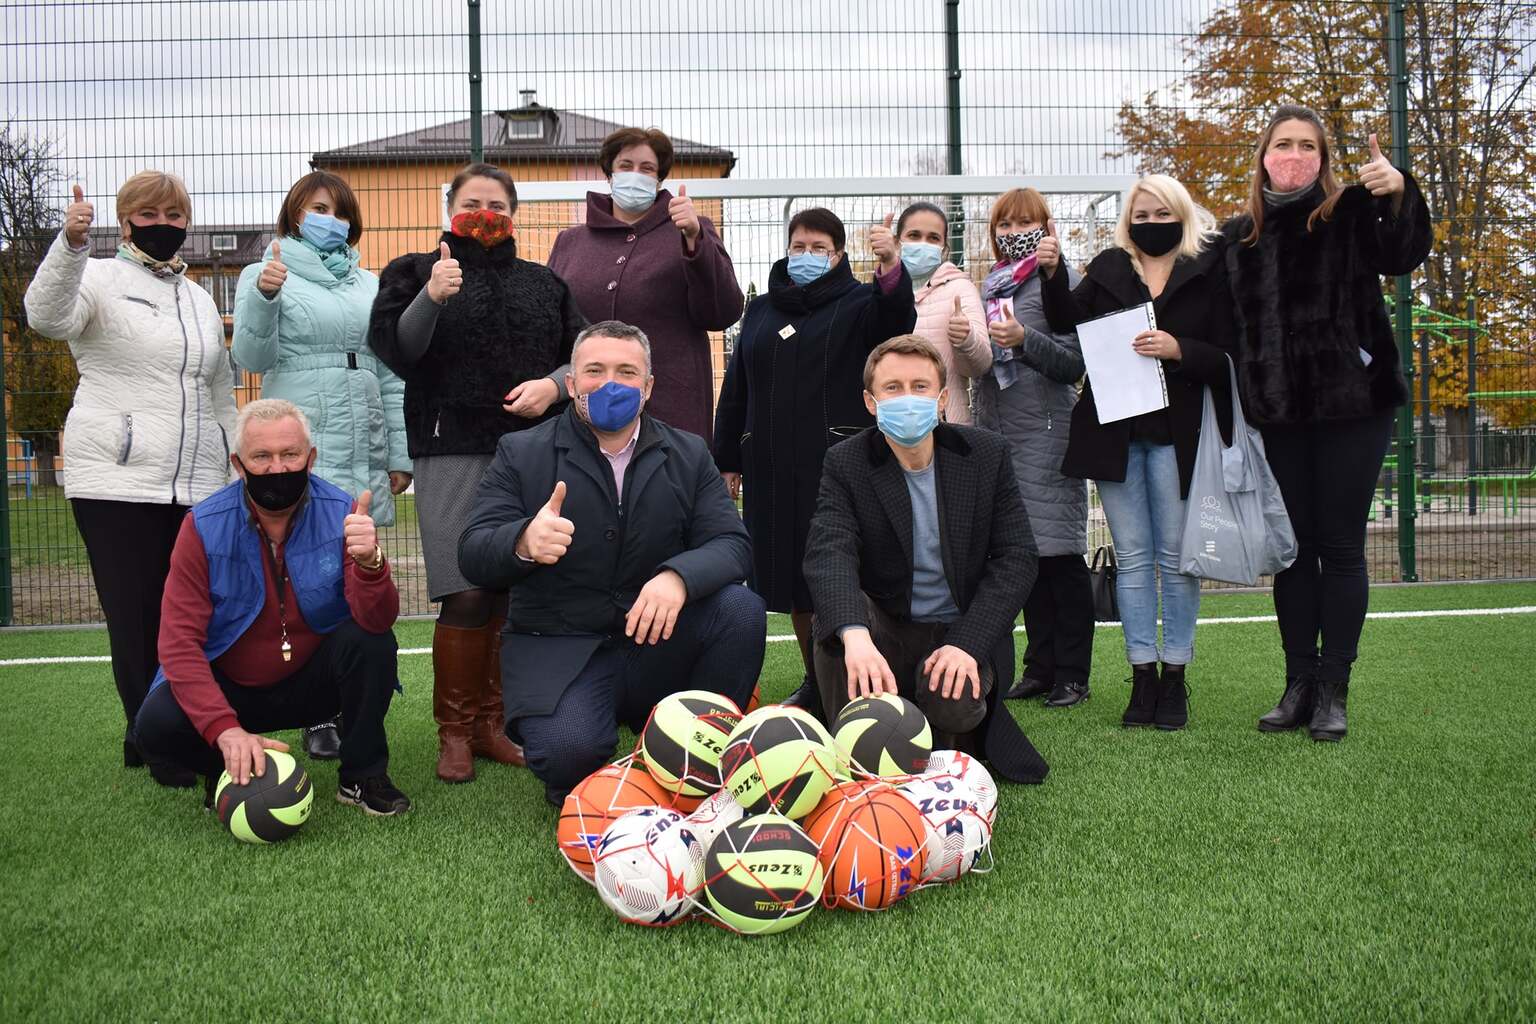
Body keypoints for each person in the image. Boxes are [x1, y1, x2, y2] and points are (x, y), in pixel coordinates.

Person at [459, 321, 766, 805]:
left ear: (648, 388)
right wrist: (522, 541)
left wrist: (677, 577)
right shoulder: (520, 451)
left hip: (656, 641)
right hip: (562, 648)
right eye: (595, 371)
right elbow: (474, 551)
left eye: (627, 372)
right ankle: (584, 743)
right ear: (570, 384)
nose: (610, 384)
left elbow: (732, 542)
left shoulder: (687, 452)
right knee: (568, 758)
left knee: (739, 608)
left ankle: (701, 750)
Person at [370, 162, 586, 783]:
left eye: (497, 203)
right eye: (471, 202)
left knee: (513, 590)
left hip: (532, 453)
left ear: (514, 214)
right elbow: (396, 349)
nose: (485, 213)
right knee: (465, 591)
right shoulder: (413, 272)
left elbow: (583, 354)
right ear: (449, 208)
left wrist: (553, 385)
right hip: (450, 449)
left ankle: (495, 724)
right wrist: (432, 296)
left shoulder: (545, 284)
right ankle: (455, 733)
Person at [1222, 105, 1431, 742]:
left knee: (1339, 546)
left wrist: (1400, 192)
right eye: (1282, 144)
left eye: (1307, 145)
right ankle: (1298, 683)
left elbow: (1401, 254)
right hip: (1279, 414)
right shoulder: (1239, 237)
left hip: (1352, 407)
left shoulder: (1348, 214)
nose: (1294, 156)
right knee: (1294, 550)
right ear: (1262, 156)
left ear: (1324, 158)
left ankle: (1335, 687)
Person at [23, 171, 237, 786]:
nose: (164, 223)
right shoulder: (97, 276)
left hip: (197, 481)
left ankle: (180, 724)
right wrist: (68, 246)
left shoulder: (198, 298)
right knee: (137, 614)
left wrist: (232, 457)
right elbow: (45, 316)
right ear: (124, 222)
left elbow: (218, 388)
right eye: (150, 213)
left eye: (175, 214)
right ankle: (149, 738)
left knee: (193, 613)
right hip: (115, 480)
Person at [134, 399, 410, 816]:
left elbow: (377, 619)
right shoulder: (202, 526)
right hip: (230, 684)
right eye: (261, 457)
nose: (278, 469)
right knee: (155, 724)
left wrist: (372, 564)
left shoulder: (344, 513)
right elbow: (178, 645)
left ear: (310, 458)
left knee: (370, 642)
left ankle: (362, 775)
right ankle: (226, 768)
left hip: (311, 683)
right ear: (238, 464)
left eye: (290, 454)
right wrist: (224, 729)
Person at [801, 335, 1048, 783]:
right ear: (870, 402)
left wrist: (968, 643)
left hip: (958, 629)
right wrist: (856, 636)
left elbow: (1016, 558)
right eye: (892, 388)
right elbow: (828, 551)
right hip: (888, 627)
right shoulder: (846, 462)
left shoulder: (986, 454)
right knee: (836, 622)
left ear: (942, 398)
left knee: (953, 710)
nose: (907, 398)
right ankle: (854, 751)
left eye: (919, 386)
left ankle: (946, 734)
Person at [1039, 174, 1237, 730]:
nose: (1151, 224)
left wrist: (1181, 350)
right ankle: (1141, 675)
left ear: (1182, 213)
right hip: (1117, 437)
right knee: (1132, 561)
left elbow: (1230, 350)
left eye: (1161, 214)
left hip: (1182, 437)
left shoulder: (1211, 267)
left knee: (1176, 561)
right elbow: (1064, 321)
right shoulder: (1108, 267)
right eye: (1141, 216)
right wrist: (1052, 273)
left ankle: (1175, 677)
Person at [232, 170, 412, 762]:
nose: (328, 217)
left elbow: (387, 370)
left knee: (353, 567)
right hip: (301, 435)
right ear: (293, 213)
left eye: (338, 209)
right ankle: (300, 702)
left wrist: (399, 452)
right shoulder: (267, 272)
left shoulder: (369, 281)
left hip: (363, 433)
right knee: (297, 571)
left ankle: (340, 707)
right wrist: (263, 296)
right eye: (316, 207)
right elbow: (250, 357)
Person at [713, 207, 917, 718]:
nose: (807, 256)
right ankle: (815, 678)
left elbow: (897, 322)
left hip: (838, 467)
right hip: (769, 467)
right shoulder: (759, 311)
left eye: (819, 248)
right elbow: (737, 386)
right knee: (792, 577)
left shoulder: (859, 302)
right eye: (799, 246)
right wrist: (727, 458)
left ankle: (866, 674)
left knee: (843, 572)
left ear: (839, 255)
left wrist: (891, 267)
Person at [971, 188, 1094, 709]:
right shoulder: (992, 283)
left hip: (1048, 433)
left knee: (1062, 559)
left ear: (1047, 227)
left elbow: (1074, 363)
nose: (1013, 230)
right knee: (1026, 562)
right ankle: (1039, 667)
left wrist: (1024, 340)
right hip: (999, 437)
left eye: (1025, 221)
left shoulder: (1062, 279)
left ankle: (1073, 673)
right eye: (1005, 223)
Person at [548, 127, 744, 441]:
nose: (635, 175)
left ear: (659, 179)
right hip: (585, 412)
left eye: (647, 168)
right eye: (626, 166)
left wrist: (695, 239)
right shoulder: (570, 242)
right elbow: (553, 326)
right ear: (609, 173)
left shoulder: (691, 229)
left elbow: (722, 313)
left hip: (670, 411)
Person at [895, 201, 989, 424]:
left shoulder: (960, 289)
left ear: (945, 248)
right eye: (914, 235)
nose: (922, 244)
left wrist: (966, 340)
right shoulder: (883, 293)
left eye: (933, 238)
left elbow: (980, 366)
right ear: (897, 242)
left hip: (946, 424)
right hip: (891, 420)